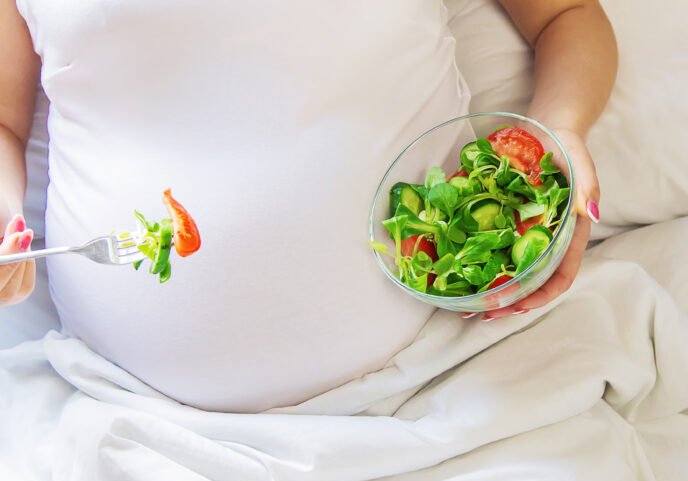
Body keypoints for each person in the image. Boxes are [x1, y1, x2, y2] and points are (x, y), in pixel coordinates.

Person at [0, 0, 617, 411]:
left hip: (450, 386)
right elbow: (5, 122)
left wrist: (558, 133)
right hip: (115, 416)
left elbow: (566, 14)